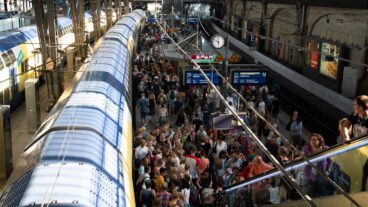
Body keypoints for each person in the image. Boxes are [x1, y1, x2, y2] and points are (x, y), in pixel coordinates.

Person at [301, 133, 332, 197]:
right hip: (309, 174)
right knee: (308, 193)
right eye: (311, 140)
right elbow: (302, 154)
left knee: (319, 192)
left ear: (320, 140)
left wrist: (328, 170)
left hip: (321, 174)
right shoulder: (307, 148)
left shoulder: (325, 148)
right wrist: (302, 155)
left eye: (315, 140)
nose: (313, 141)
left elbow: (330, 160)